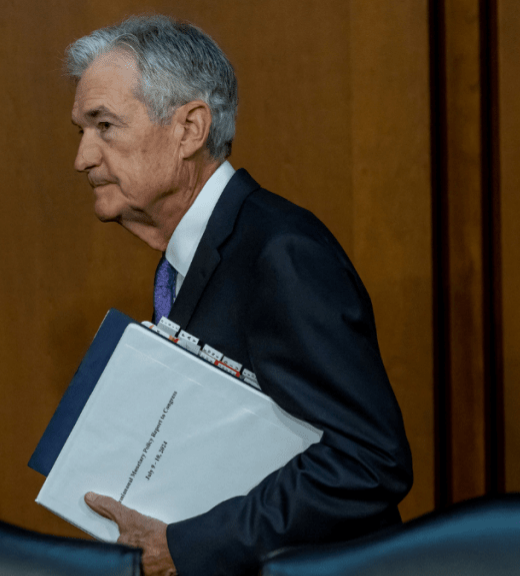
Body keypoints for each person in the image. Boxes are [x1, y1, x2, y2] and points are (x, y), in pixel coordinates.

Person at [66, 15, 413, 576]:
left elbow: (368, 461)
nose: (82, 157)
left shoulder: (282, 254)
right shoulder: (188, 258)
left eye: (104, 125)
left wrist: (188, 547)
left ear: (189, 129)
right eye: (82, 131)